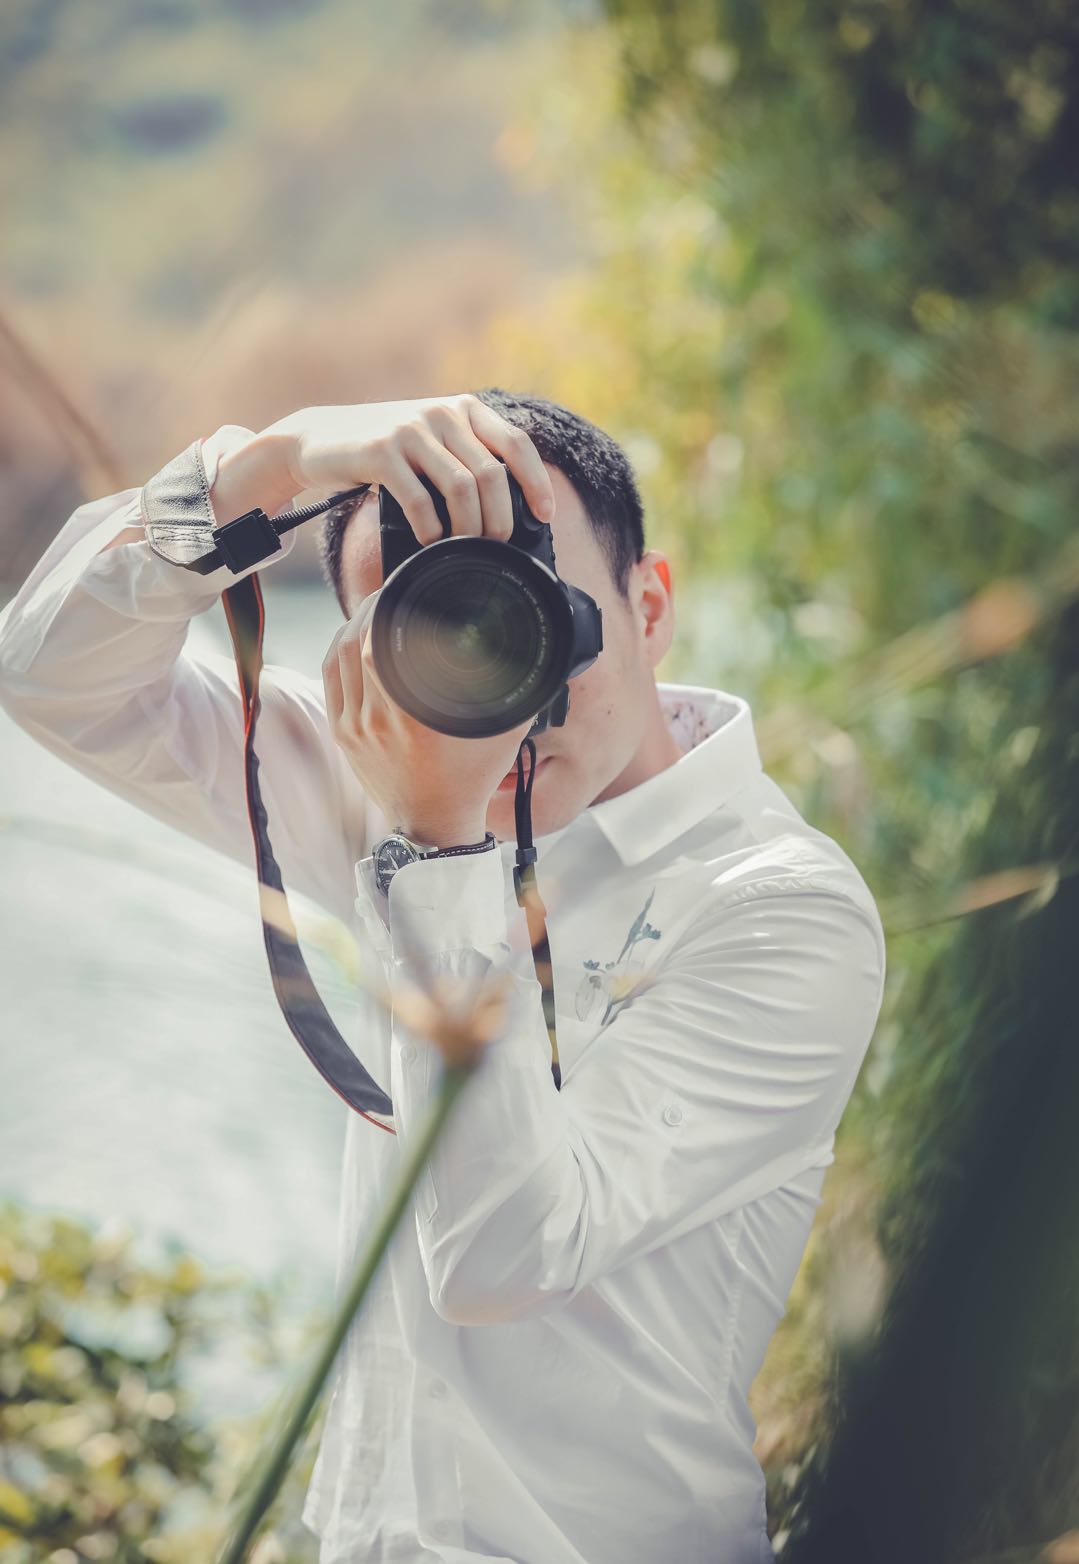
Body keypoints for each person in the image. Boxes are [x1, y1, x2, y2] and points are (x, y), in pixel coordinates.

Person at [0, 387, 887, 1564]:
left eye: (537, 613)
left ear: (649, 602)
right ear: (371, 665)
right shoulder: (400, 783)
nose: (507, 690)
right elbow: (52, 672)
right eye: (445, 633)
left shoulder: (778, 908)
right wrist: (267, 461)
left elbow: (499, 1257)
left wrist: (440, 844)